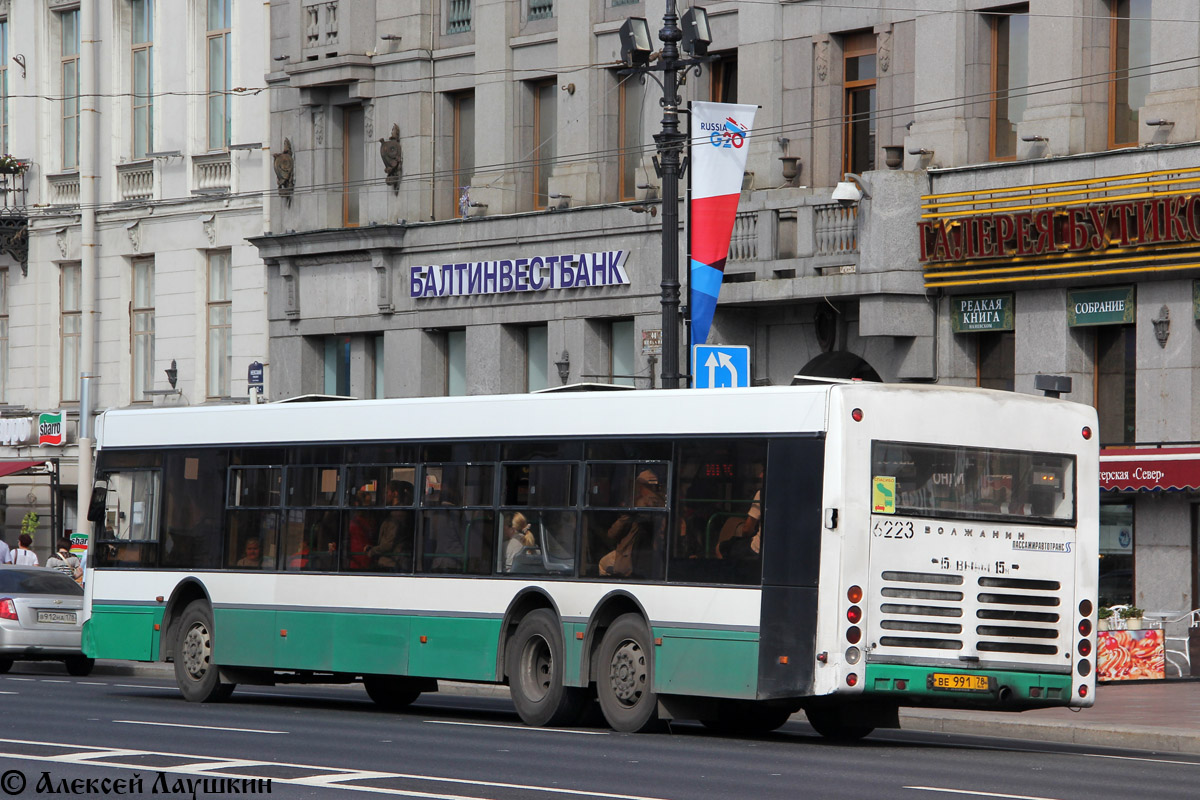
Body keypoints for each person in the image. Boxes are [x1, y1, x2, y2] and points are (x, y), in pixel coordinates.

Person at [599, 469, 665, 577]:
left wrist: (625, 515)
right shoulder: (661, 503)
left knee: (602, 563)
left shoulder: (637, 504)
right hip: (655, 556)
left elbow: (613, 534)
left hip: (630, 556)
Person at [369, 480, 413, 570]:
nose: (384, 495)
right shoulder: (396, 513)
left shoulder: (397, 515)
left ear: (395, 494)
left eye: (387, 492)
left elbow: (388, 544)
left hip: (392, 562)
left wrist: (373, 551)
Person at [721, 470, 763, 560]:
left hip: (757, 549)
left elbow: (747, 529)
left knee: (721, 548)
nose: (760, 475)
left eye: (764, 471)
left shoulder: (762, 494)